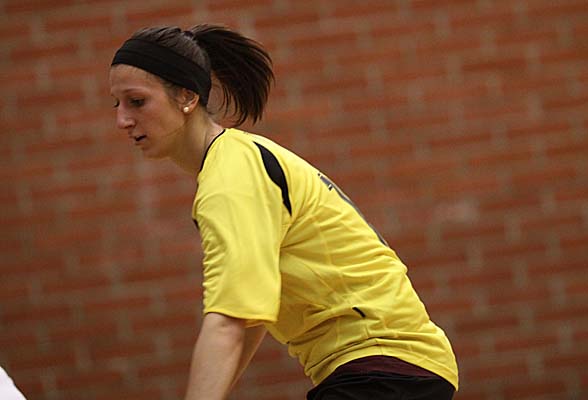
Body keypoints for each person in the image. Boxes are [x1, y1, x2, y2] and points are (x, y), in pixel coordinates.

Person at [109, 25, 458, 400]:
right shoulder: (237, 161)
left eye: (137, 101)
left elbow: (227, 324)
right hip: (395, 368)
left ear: (187, 97)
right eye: (117, 104)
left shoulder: (231, 179)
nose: (122, 120)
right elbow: (248, 316)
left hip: (384, 366)